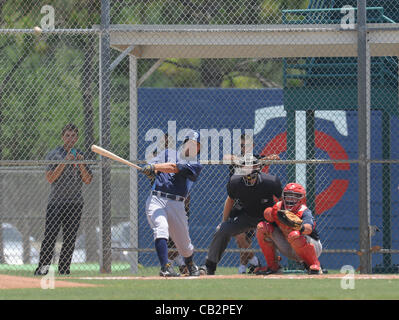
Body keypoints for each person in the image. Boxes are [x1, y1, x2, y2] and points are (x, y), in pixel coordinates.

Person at [200, 154, 282, 275]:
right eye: (246, 172)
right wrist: (224, 221)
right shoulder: (235, 181)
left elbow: (281, 201)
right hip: (246, 216)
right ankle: (210, 266)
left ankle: (292, 263)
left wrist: (281, 221)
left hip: (266, 217)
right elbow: (230, 201)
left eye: (252, 174)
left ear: (258, 170)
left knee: (287, 231)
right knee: (222, 230)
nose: (249, 177)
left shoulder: (270, 181)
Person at [34, 123, 93, 276]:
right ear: (62, 137)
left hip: (75, 203)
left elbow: (87, 180)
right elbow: (50, 177)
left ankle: (64, 269)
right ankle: (43, 267)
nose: (70, 139)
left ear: (77, 138)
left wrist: (80, 163)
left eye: (73, 136)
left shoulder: (81, 154)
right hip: (56, 202)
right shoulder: (54, 154)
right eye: (67, 135)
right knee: (51, 235)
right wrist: (65, 162)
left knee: (70, 237)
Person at [142, 130, 202, 277]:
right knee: (161, 227)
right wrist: (151, 171)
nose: (192, 146)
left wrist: (155, 167)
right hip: (157, 199)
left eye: (196, 144)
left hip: (177, 204)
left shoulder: (195, 164)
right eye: (190, 142)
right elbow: (152, 165)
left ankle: (190, 264)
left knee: (185, 245)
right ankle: (166, 266)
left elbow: (174, 167)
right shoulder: (168, 152)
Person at [223, 134, 280, 274]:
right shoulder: (236, 158)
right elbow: (226, 158)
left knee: (246, 238)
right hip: (237, 200)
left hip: (252, 201)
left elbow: (275, 157)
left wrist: (260, 161)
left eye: (247, 145)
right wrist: (243, 161)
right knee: (239, 236)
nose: (244, 148)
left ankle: (243, 268)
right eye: (242, 145)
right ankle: (255, 261)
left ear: (252, 146)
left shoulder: (256, 159)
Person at [255, 183, 323, 275]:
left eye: (295, 197)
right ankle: (273, 266)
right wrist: (268, 214)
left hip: (312, 246)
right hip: (289, 245)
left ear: (301, 198)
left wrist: (298, 226)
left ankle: (315, 265)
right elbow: (268, 218)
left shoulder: (304, 211)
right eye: (288, 196)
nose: (290, 199)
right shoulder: (278, 208)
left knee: (294, 235)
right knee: (262, 227)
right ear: (283, 196)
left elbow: (309, 229)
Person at [151, 133, 189, 274]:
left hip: (178, 201)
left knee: (178, 237)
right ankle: (173, 264)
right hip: (160, 199)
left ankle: (181, 261)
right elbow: (152, 173)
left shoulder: (179, 157)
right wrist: (150, 170)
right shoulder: (156, 157)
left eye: (168, 143)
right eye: (163, 143)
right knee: (163, 231)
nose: (165, 145)